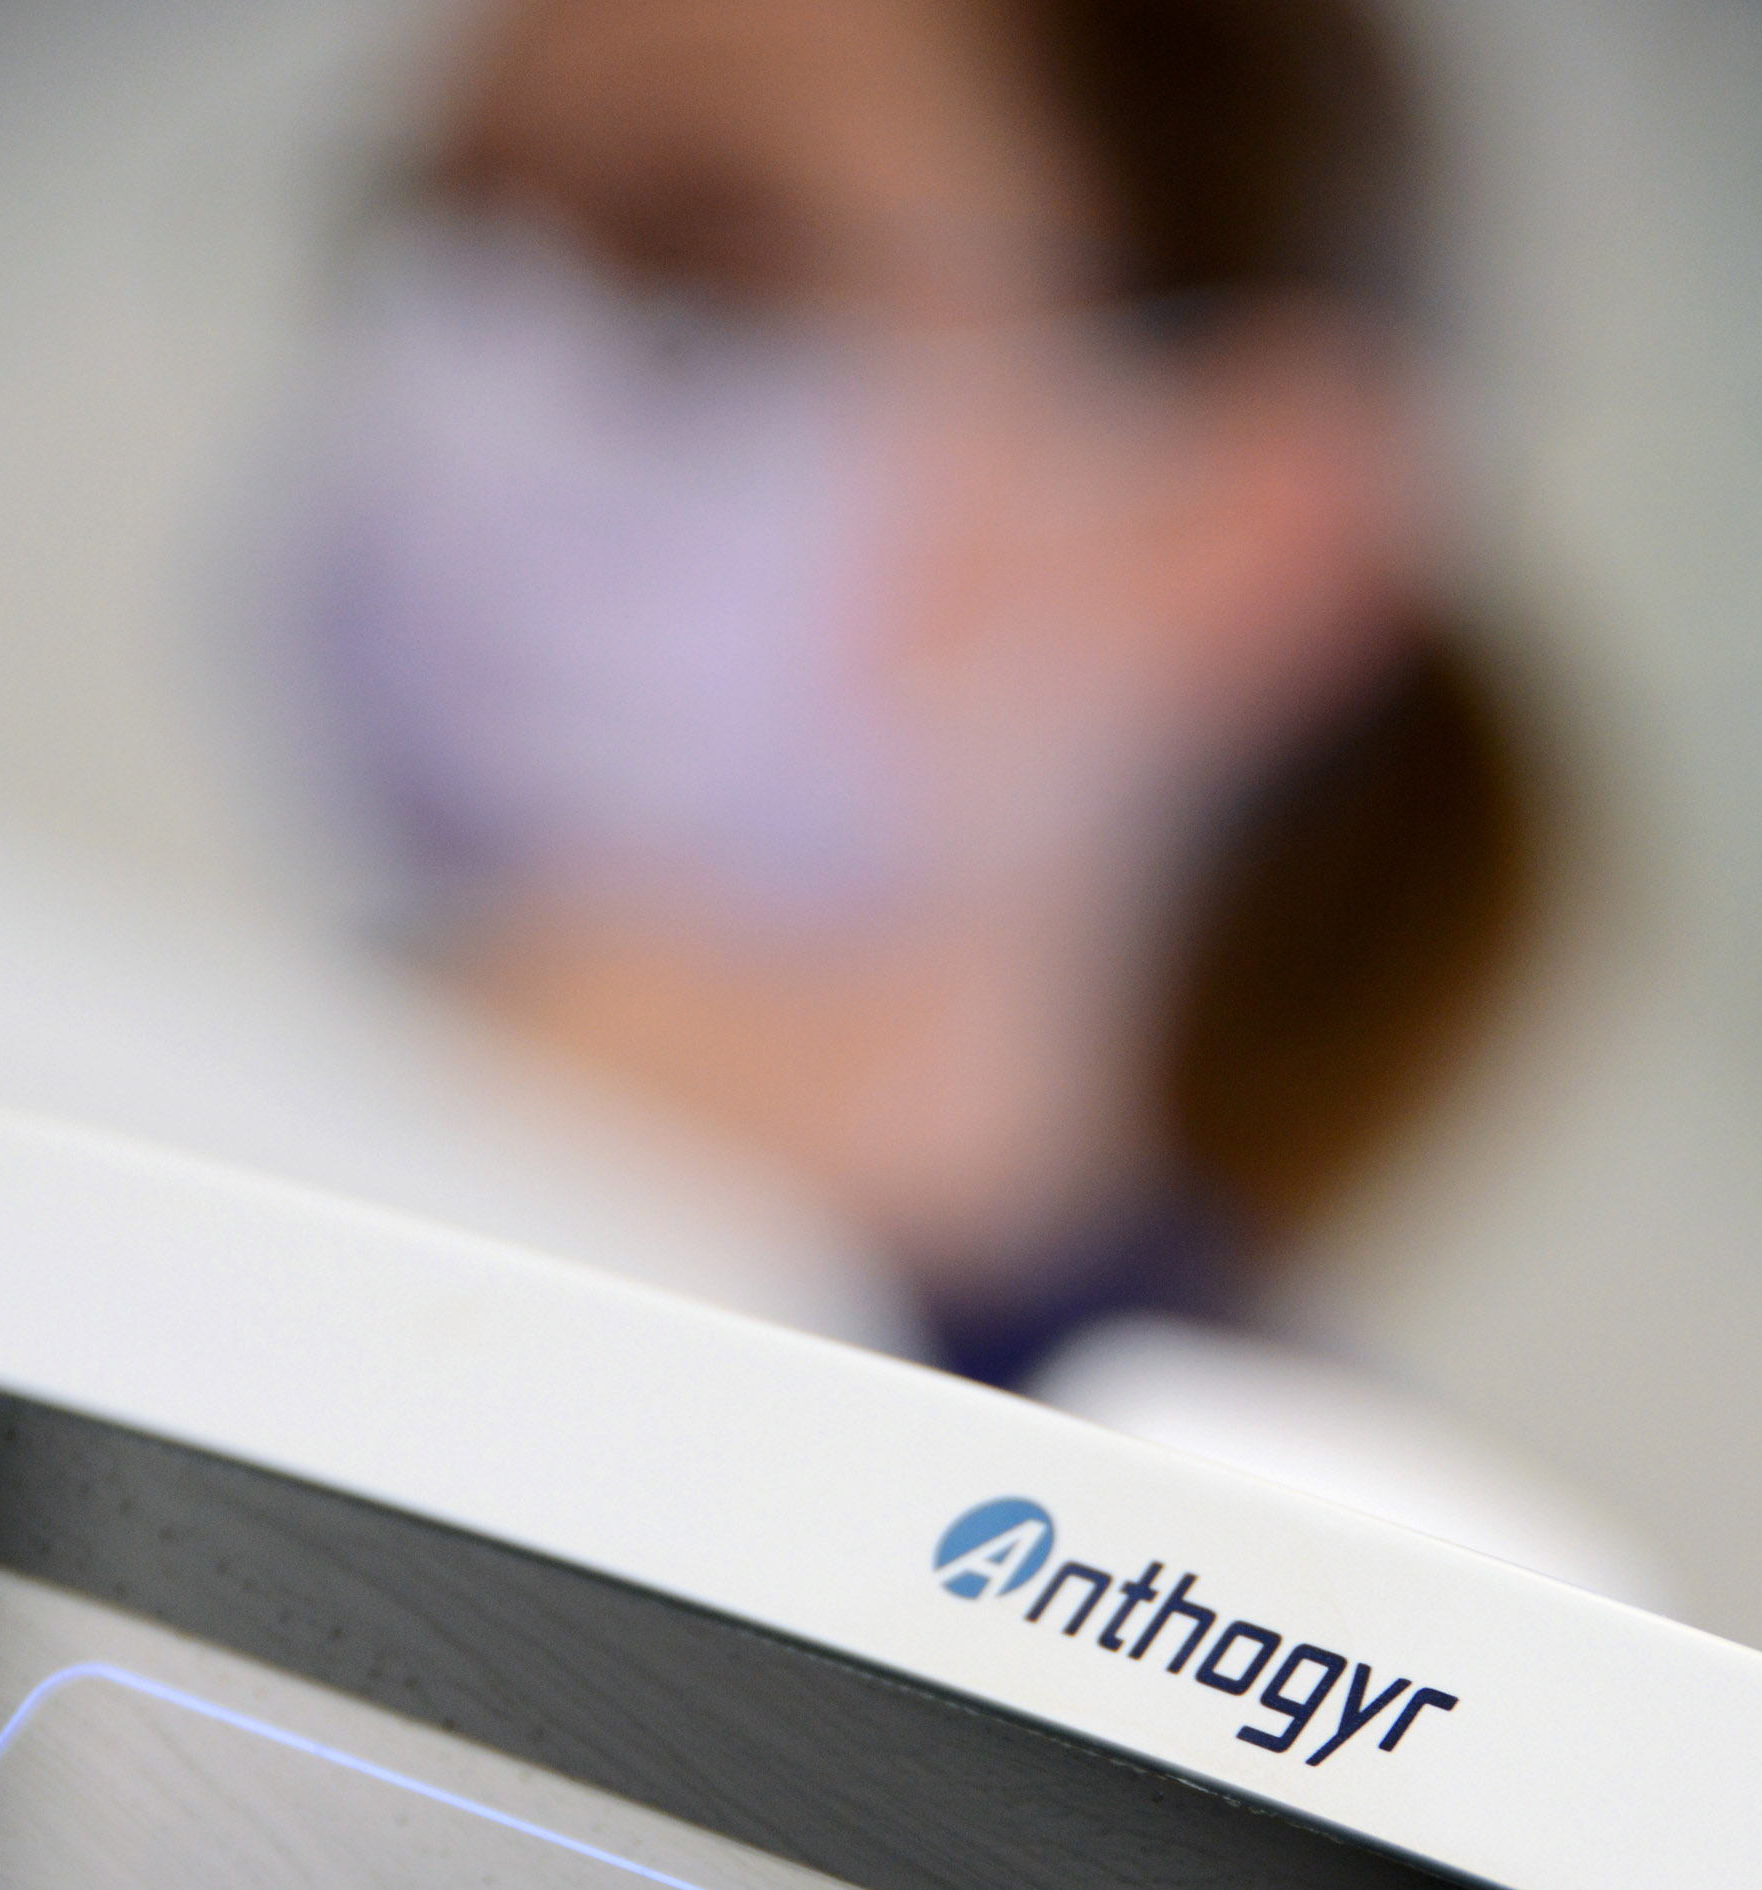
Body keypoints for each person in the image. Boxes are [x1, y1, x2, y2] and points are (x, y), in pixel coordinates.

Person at [291, 0, 1531, 1395]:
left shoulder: (1199, 1515)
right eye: (441, 227)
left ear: (1254, 521)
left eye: (707, 263)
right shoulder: (150, 1157)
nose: (473, 377)